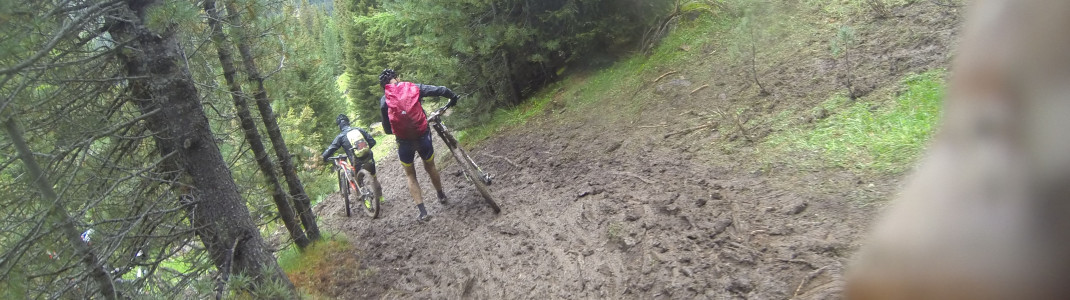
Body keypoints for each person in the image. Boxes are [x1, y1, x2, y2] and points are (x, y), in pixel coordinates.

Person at [378, 68, 458, 222]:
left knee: (410, 174)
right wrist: (452, 97)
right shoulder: (414, 87)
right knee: (430, 166)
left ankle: (423, 212)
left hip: (404, 143)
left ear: (384, 86)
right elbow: (439, 90)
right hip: (422, 136)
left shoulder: (384, 101)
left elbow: (388, 130)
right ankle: (441, 194)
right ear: (397, 77)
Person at [321, 114, 383, 208]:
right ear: (348, 122)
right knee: (374, 178)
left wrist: (323, 158)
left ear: (339, 126)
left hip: (356, 163)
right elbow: (372, 142)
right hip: (368, 158)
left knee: (358, 181)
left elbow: (331, 149)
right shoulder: (359, 129)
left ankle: (366, 202)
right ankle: (381, 198)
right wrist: (364, 150)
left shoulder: (341, 136)